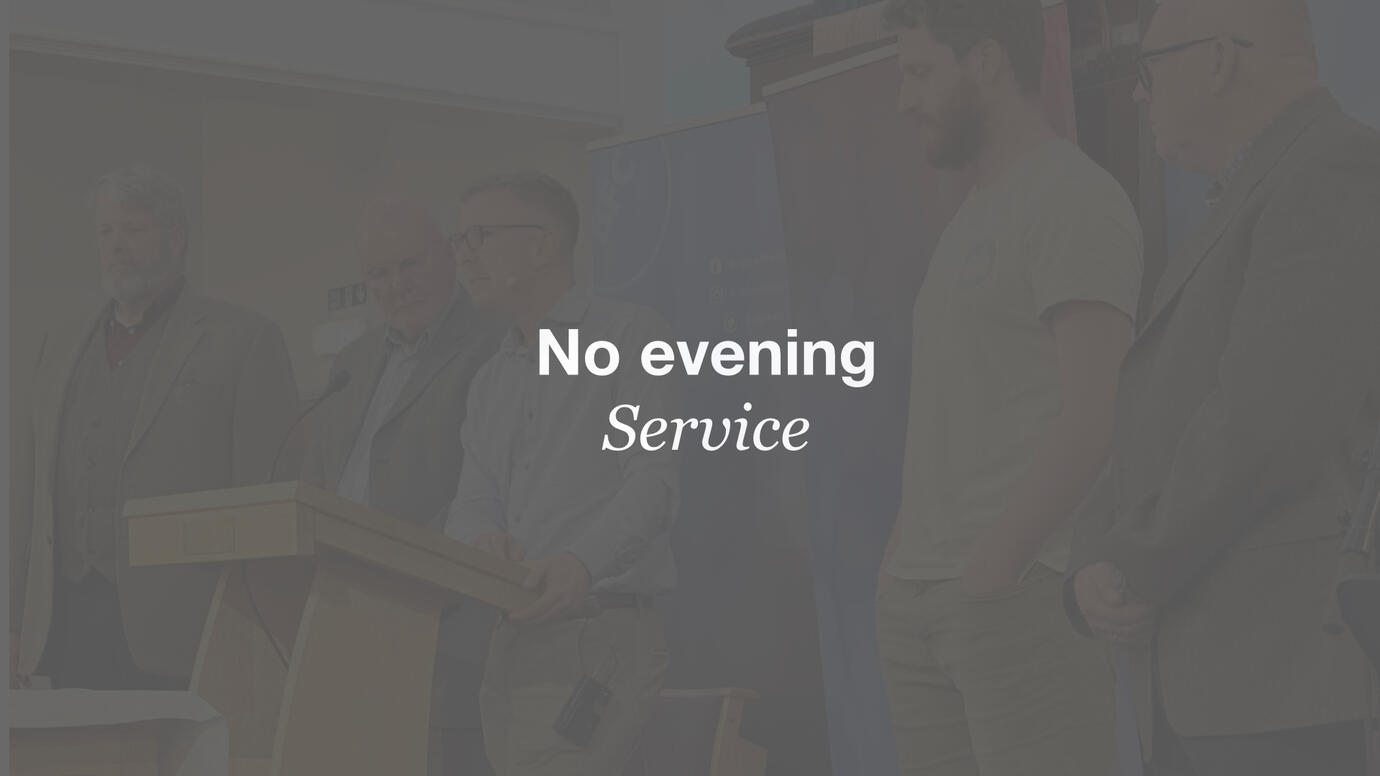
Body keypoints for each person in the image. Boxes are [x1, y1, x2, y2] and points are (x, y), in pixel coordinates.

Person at [1066, 1, 1380, 773]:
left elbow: (1263, 422)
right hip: (1217, 687)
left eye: (1148, 70)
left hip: (1272, 685)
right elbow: (1161, 420)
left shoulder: (1331, 168)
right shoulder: (1250, 196)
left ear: (1217, 59)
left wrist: (1131, 563)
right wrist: (1089, 564)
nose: (1136, 94)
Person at [874, 1, 1145, 774]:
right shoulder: (972, 216)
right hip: (923, 599)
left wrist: (994, 567)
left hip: (1014, 595)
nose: (904, 99)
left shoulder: (1072, 196)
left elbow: (1096, 414)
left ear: (988, 60)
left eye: (919, 71)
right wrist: (899, 565)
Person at [10, 163, 301, 690]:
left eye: (134, 229)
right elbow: (27, 500)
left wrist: (260, 640)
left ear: (176, 239)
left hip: (184, 632)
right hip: (67, 624)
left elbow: (268, 506)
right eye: (105, 231)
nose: (116, 245)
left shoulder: (243, 338)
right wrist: (13, 627)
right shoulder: (58, 344)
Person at [444, 172, 677, 776]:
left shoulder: (630, 335)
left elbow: (654, 480)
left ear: (542, 244)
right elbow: (472, 501)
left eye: (481, 236)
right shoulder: (490, 379)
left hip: (597, 632)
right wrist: (481, 540)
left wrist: (580, 563)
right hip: (510, 640)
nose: (464, 255)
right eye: (459, 239)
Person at [300, 193, 501, 775]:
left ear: (448, 255)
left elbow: (488, 488)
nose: (396, 286)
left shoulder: (494, 344)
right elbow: (320, 476)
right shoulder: (353, 360)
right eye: (379, 274)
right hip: (343, 610)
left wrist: (400, 565)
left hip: (443, 617)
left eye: (409, 265)